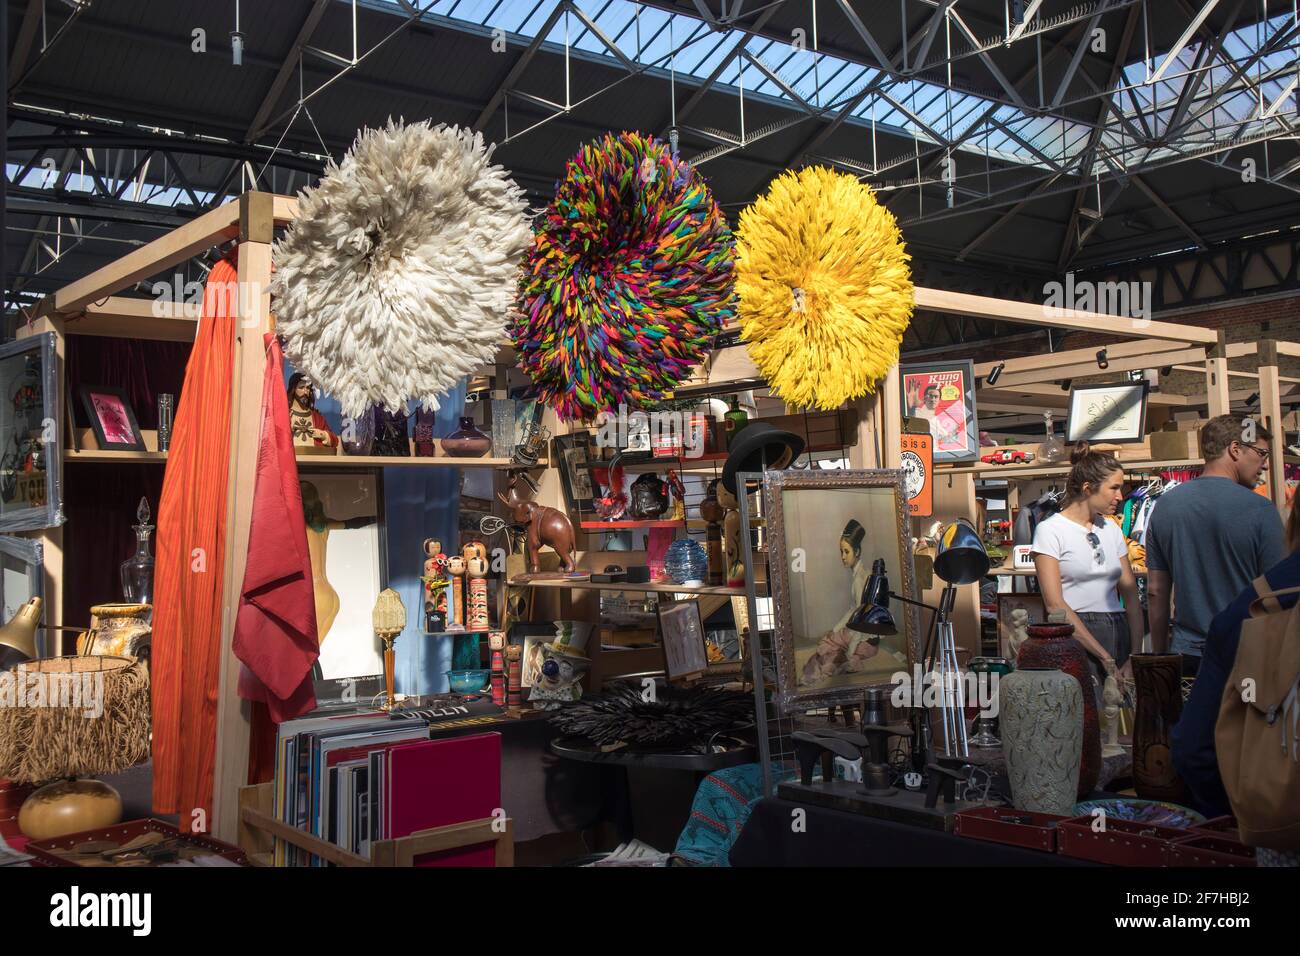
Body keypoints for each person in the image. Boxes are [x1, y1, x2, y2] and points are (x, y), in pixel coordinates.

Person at [1172, 491, 1300, 865]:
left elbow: (1195, 748)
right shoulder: (1257, 511)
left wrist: (1249, 814)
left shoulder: (1251, 614)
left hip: (1285, 828)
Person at [1144, 415, 1286, 674]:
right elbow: (1277, 595)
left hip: (1186, 653)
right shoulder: (1260, 510)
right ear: (1234, 449)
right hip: (1245, 653)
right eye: (1262, 454)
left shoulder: (1165, 506)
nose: (1265, 465)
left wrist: (1160, 654)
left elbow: (1156, 591)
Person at [1032, 443, 1145, 692]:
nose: (1121, 496)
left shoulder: (1112, 529)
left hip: (1119, 630)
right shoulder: (1050, 530)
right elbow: (1055, 605)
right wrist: (1105, 657)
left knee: (1123, 720)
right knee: (1087, 718)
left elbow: (1131, 596)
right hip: (1076, 635)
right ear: (1087, 489)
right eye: (1114, 488)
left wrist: (1134, 655)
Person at [801, 519, 878, 683]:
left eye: (846, 552)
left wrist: (851, 650)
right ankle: (815, 674)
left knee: (828, 647)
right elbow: (853, 609)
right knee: (829, 641)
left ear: (857, 551)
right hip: (859, 632)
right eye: (841, 552)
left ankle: (815, 676)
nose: (843, 557)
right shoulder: (860, 574)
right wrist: (836, 628)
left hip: (865, 639)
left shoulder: (861, 579)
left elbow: (860, 619)